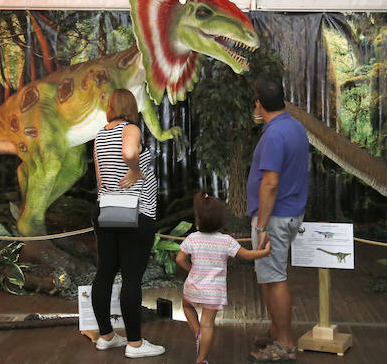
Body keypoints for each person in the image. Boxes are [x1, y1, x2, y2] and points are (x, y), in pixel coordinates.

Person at [91, 88, 165, 358]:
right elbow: (129, 151)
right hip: (135, 214)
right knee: (132, 277)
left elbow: (100, 179)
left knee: (105, 273)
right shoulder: (130, 128)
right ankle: (134, 344)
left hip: (107, 212)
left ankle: (106, 336)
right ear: (132, 107)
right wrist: (135, 170)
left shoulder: (100, 135)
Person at [246, 76, 310, 363]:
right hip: (289, 211)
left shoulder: (274, 134)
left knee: (274, 279)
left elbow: (270, 183)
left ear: (259, 103)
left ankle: (285, 343)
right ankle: (276, 331)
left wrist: (262, 226)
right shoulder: (294, 126)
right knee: (269, 277)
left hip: (274, 217)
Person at [176, 191, 271, 364]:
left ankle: (197, 332)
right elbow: (248, 255)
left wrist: (191, 269)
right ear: (220, 220)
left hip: (193, 286)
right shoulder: (226, 241)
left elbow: (179, 259)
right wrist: (264, 252)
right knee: (208, 324)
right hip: (213, 291)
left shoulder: (192, 238)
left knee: (187, 306)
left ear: (198, 221)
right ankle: (201, 360)